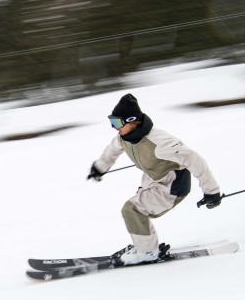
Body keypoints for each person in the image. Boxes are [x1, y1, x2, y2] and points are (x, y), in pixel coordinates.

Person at [87, 93, 222, 266]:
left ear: (132, 121)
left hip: (172, 186)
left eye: (118, 123)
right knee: (137, 212)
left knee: (132, 210)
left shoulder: (160, 143)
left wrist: (212, 192)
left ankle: (147, 252)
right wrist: (100, 167)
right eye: (112, 122)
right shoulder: (124, 138)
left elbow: (195, 160)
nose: (115, 127)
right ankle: (145, 247)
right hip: (152, 180)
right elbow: (112, 150)